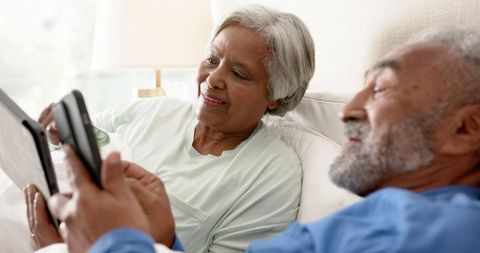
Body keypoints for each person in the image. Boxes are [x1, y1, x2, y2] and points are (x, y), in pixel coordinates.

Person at [45, 27, 480, 253]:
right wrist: (162, 238)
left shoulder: (447, 230)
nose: (347, 110)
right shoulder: (381, 216)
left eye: (381, 89)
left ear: (466, 129)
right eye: (211, 60)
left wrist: (112, 242)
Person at [24, 5, 316, 253]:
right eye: (212, 60)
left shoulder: (275, 174)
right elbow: (90, 137)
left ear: (275, 94)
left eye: (238, 74)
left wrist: (56, 249)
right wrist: (57, 135)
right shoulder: (159, 109)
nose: (213, 78)